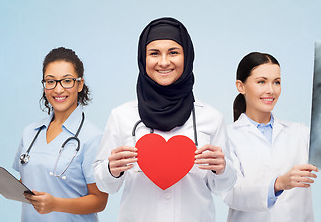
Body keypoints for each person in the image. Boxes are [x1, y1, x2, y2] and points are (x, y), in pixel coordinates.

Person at [93, 17, 237, 221]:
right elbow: (106, 185)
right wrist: (111, 169)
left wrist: (222, 169)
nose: (163, 62)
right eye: (154, 53)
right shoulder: (122, 116)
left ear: (187, 57)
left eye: (173, 52)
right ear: (143, 59)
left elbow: (222, 187)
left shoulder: (211, 117)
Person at [223, 52, 321, 222]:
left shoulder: (298, 132)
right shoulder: (227, 137)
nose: (271, 90)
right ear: (241, 86)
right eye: (261, 82)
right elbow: (231, 192)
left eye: (277, 82)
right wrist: (278, 184)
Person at [12, 47, 108, 221]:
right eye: (50, 81)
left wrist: (55, 204)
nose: (58, 89)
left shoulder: (92, 137)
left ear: (79, 84)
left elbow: (100, 201)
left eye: (67, 81)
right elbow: (29, 180)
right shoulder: (29, 133)